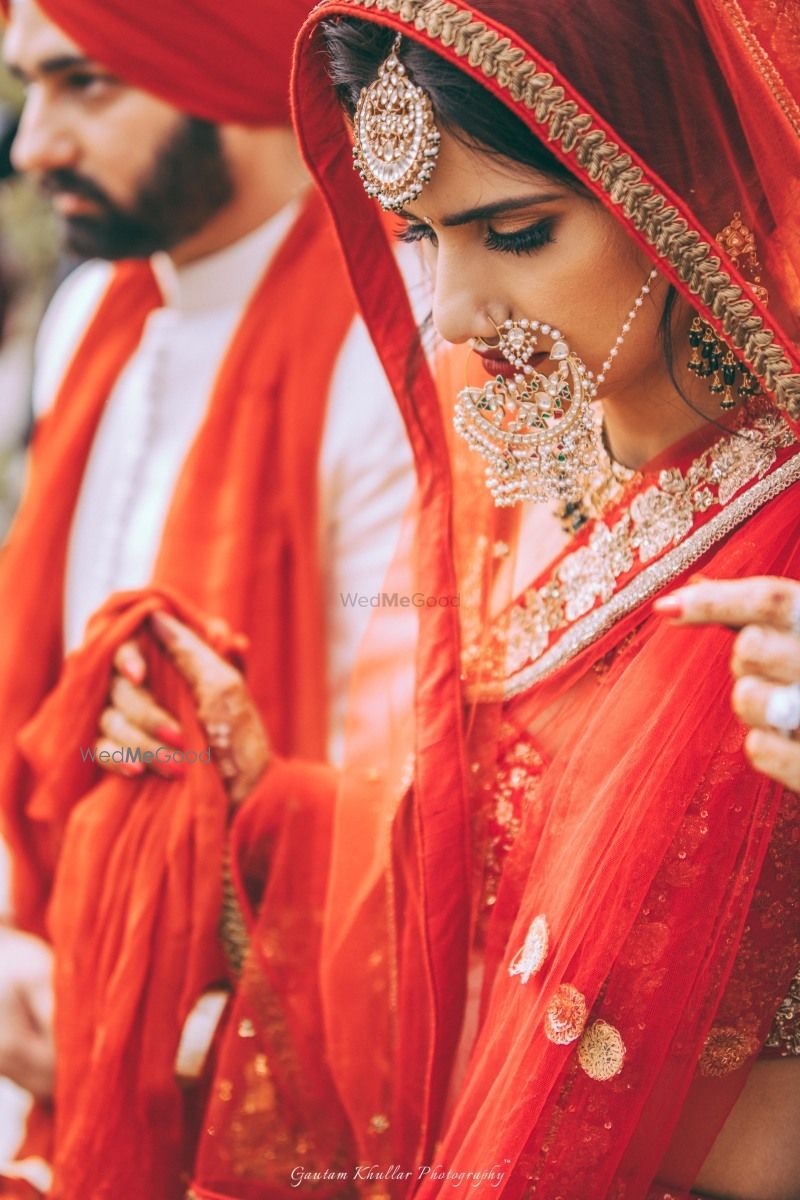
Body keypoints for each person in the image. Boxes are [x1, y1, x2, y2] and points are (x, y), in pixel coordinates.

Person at [190, 1, 800, 1198]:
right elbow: (486, 891)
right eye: (419, 238)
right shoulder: (532, 479)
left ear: (688, 184)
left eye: (513, 233)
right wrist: (265, 805)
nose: (456, 313)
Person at [0, 0, 413, 1194]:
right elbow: (36, 682)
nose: (34, 143)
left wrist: (151, 998)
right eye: (31, 88)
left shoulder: (385, 339)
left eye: (85, 85)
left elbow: (386, 773)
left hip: (264, 1046)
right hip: (53, 995)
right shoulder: (96, 313)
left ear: (224, 67)